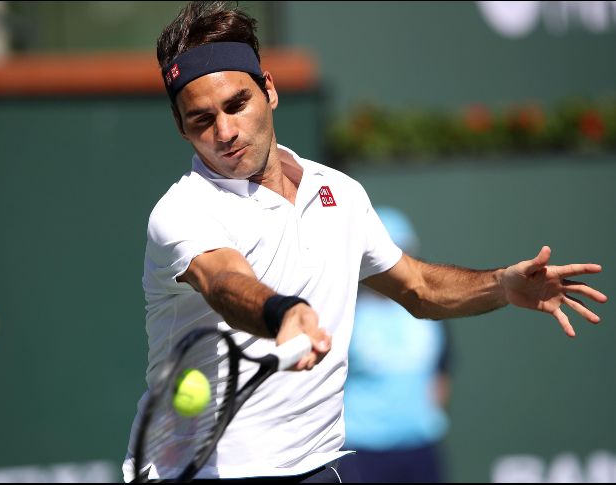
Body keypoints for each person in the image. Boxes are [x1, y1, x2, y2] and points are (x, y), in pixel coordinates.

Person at [122, 2, 607, 482]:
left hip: (315, 466)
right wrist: (283, 313)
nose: (225, 132)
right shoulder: (182, 211)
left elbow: (418, 288)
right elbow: (225, 281)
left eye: (236, 105)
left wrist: (500, 285)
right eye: (202, 120)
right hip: (198, 473)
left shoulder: (341, 194)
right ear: (181, 126)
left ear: (268, 90)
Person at [342, 206, 451, 483]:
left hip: (421, 447)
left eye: (399, 254)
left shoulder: (431, 314)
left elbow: (442, 371)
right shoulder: (344, 314)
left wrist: (421, 420)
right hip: (361, 450)